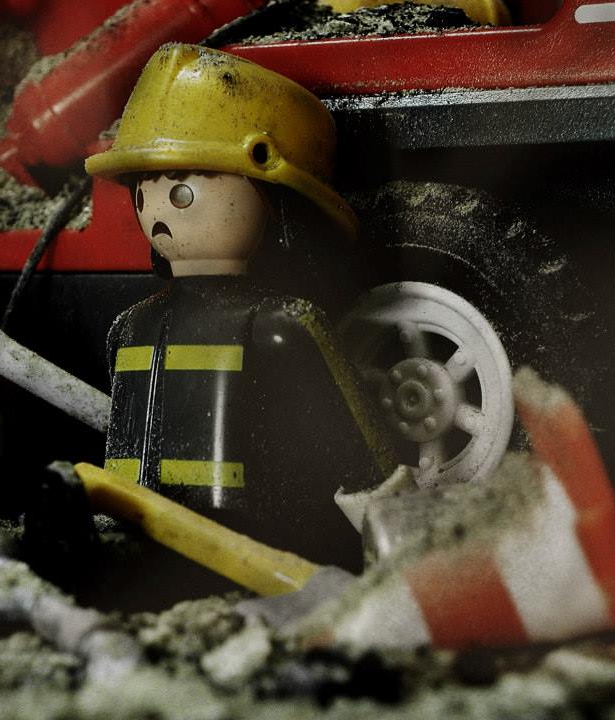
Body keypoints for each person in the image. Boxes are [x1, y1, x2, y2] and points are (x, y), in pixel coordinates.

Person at [84, 43, 394, 570]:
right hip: (139, 533)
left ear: (275, 199)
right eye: (142, 194)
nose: (157, 214)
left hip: (253, 547)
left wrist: (394, 536)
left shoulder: (276, 327)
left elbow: (354, 454)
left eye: (181, 193)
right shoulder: (130, 328)